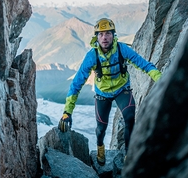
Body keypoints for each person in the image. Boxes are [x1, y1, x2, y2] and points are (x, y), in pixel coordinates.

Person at [58, 18, 161, 165]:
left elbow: (143, 64)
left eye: (107, 34)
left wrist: (160, 78)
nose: (104, 38)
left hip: (121, 89)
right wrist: (67, 111)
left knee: (130, 117)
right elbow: (76, 84)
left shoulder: (121, 49)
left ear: (113, 35)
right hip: (102, 94)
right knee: (101, 129)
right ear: (96, 37)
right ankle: (100, 147)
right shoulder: (92, 56)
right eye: (100, 34)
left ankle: (128, 154)